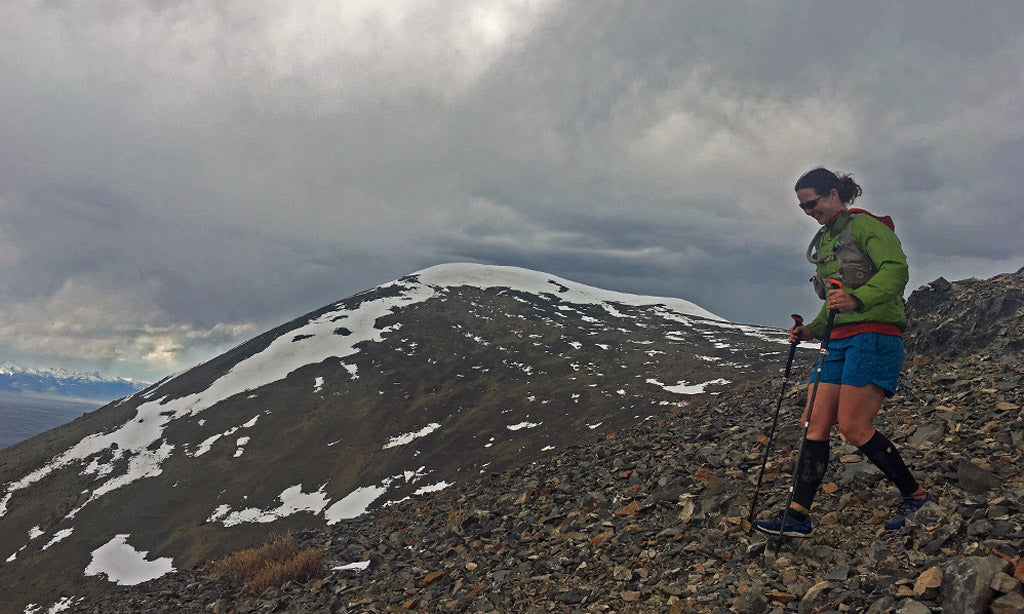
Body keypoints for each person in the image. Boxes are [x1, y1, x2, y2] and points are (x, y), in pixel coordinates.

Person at [755, 167, 935, 537]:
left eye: (812, 203)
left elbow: (896, 270)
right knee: (814, 424)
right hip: (837, 340)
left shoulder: (868, 227)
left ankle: (917, 498)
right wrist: (812, 330)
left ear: (834, 193)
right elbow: (835, 301)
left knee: (853, 427)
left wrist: (859, 298)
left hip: (874, 335)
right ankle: (797, 516)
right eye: (803, 207)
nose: (809, 212)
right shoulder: (825, 241)